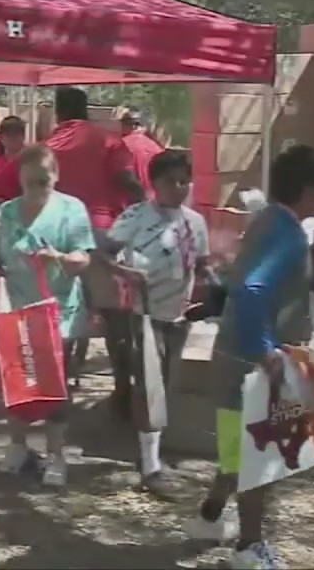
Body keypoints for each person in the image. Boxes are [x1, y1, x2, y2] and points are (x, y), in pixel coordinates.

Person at [185, 144, 314, 570]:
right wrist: (265, 351)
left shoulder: (268, 221)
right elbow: (252, 289)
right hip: (254, 363)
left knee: (238, 450)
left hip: (233, 353)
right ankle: (249, 548)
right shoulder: (287, 235)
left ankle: (208, 518)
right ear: (308, 188)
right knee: (259, 456)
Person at [97, 149, 210, 496]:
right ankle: (150, 466)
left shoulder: (195, 221)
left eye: (184, 181)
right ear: (154, 183)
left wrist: (214, 282)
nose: (179, 187)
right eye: (171, 181)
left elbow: (202, 264)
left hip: (179, 315)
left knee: (167, 382)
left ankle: (154, 449)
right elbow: (101, 253)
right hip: (141, 314)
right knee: (150, 384)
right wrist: (123, 271)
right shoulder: (135, 217)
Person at [0, 145, 95, 487]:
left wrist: (62, 258)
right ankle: (18, 446)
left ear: (55, 177)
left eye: (43, 180)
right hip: (15, 313)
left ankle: (56, 454)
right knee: (15, 386)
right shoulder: (7, 212)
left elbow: (84, 259)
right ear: (19, 178)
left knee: (55, 390)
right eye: (29, 180)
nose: (36, 187)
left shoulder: (71, 209)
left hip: (58, 314)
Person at [45, 86, 144, 415]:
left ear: (58, 112)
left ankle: (57, 386)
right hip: (102, 234)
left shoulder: (48, 146)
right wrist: (146, 209)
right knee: (117, 317)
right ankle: (121, 388)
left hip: (59, 239)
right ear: (85, 110)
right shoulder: (108, 141)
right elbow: (127, 181)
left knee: (63, 315)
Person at [120, 109, 164, 198]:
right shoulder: (157, 148)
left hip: (129, 203)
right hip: (155, 202)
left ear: (133, 126)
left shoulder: (121, 146)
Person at [0, 115, 28, 203]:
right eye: (9, 134)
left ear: (24, 136)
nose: (13, 138)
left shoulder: (29, 160)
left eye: (17, 134)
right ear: (0, 136)